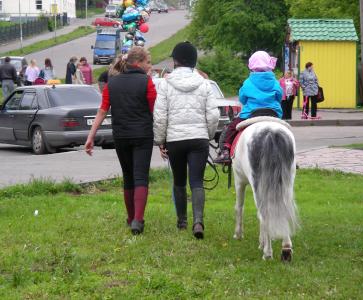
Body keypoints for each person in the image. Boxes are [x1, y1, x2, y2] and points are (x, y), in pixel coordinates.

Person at [85, 47, 156, 235]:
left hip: (121, 136)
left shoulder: (111, 84)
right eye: (148, 62)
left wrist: (90, 136)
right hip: (142, 135)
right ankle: (138, 221)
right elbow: (152, 108)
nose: (149, 65)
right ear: (139, 62)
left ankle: (131, 217)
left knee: (128, 176)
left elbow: (102, 111)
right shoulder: (146, 82)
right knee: (141, 176)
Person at [153, 42, 219, 239]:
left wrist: (160, 140)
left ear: (175, 60)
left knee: (179, 180)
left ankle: (182, 221)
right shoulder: (205, 84)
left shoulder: (165, 84)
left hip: (175, 139)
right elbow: (213, 116)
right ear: (193, 61)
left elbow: (160, 116)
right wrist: (207, 135)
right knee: (197, 181)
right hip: (198, 139)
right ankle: (198, 221)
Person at [214, 50, 282, 164]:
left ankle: (225, 151)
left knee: (232, 128)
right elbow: (279, 97)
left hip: (251, 114)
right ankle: (290, 157)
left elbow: (242, 99)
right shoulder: (275, 82)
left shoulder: (248, 82)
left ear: (252, 65)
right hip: (273, 113)